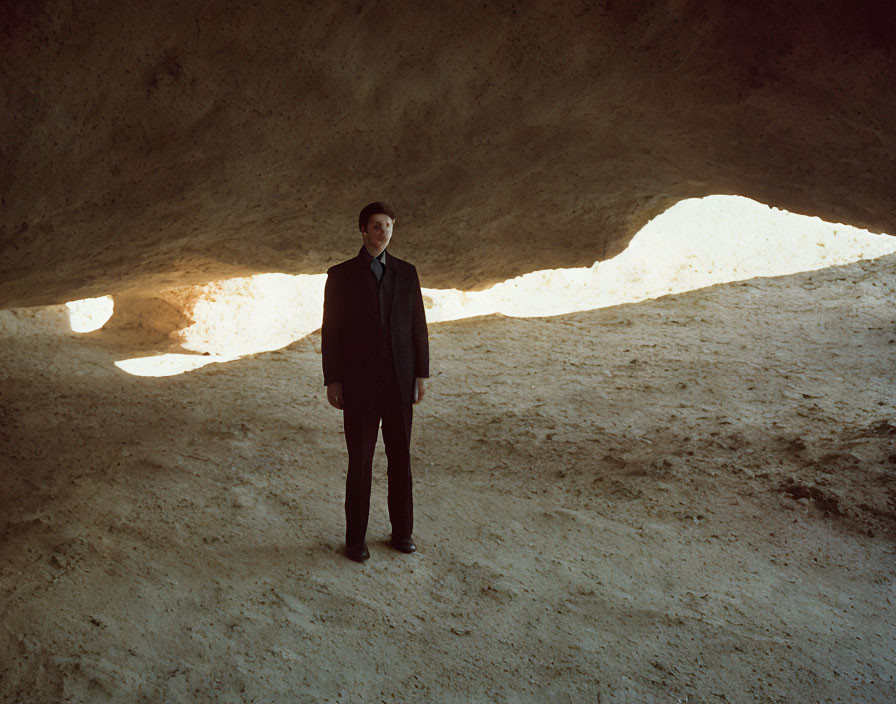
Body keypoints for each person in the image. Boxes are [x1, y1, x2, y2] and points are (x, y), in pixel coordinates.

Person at [321, 202, 429, 562]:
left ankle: (402, 533)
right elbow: (331, 331)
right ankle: (355, 541)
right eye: (376, 227)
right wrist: (332, 378)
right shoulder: (340, 276)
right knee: (361, 461)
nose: (383, 233)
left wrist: (421, 375)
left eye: (388, 226)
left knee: (401, 459)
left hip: (399, 382)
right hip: (358, 384)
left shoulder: (407, 273)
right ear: (363, 231)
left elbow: (417, 328)